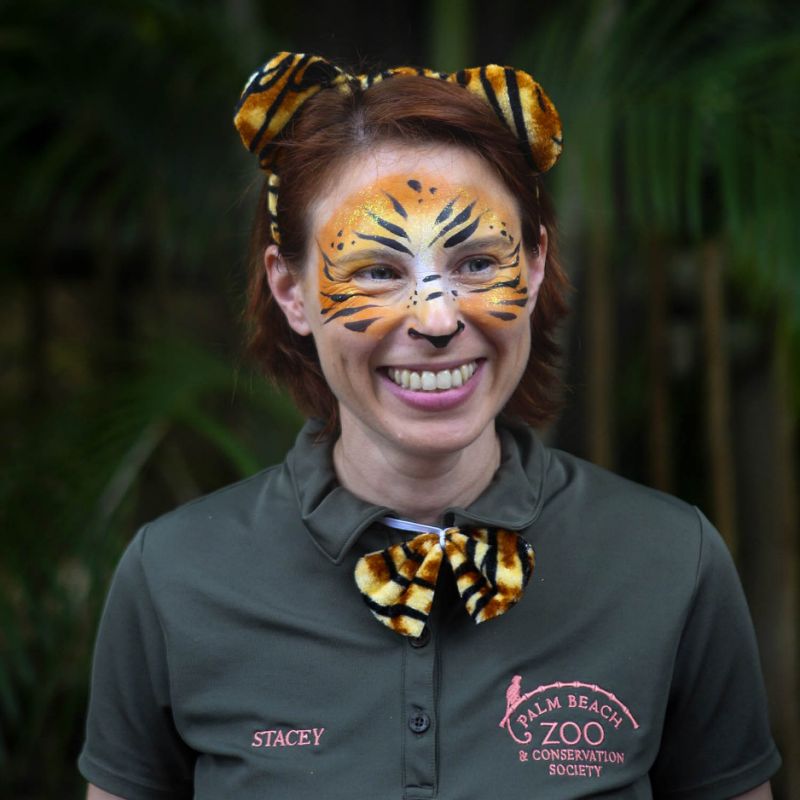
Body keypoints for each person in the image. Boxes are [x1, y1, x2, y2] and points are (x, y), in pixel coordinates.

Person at [80, 52, 780, 799]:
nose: (439, 318)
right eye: (378, 271)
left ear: (536, 263)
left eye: (478, 262)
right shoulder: (174, 578)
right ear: (291, 290)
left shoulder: (670, 562)